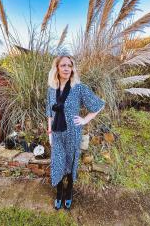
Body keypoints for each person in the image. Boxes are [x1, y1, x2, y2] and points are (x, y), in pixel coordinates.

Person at [46, 55, 105, 210]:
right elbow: (49, 113)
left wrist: (85, 120)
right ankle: (59, 191)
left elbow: (98, 105)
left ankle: (69, 191)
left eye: (69, 65)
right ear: (57, 68)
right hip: (57, 134)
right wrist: (50, 133)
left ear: (72, 68)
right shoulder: (52, 89)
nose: (66, 68)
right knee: (58, 162)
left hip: (73, 132)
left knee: (72, 162)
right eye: (63, 65)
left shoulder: (78, 87)